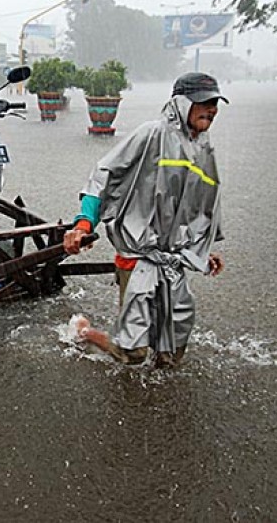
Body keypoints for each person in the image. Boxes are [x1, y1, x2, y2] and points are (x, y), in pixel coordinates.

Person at [63, 72, 228, 368]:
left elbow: (204, 204)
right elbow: (104, 174)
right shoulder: (152, 134)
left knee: (171, 353)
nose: (212, 109)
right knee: (134, 352)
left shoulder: (204, 148)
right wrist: (83, 224)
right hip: (138, 254)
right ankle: (84, 332)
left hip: (174, 257)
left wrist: (205, 249)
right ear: (181, 103)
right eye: (204, 101)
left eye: (215, 102)